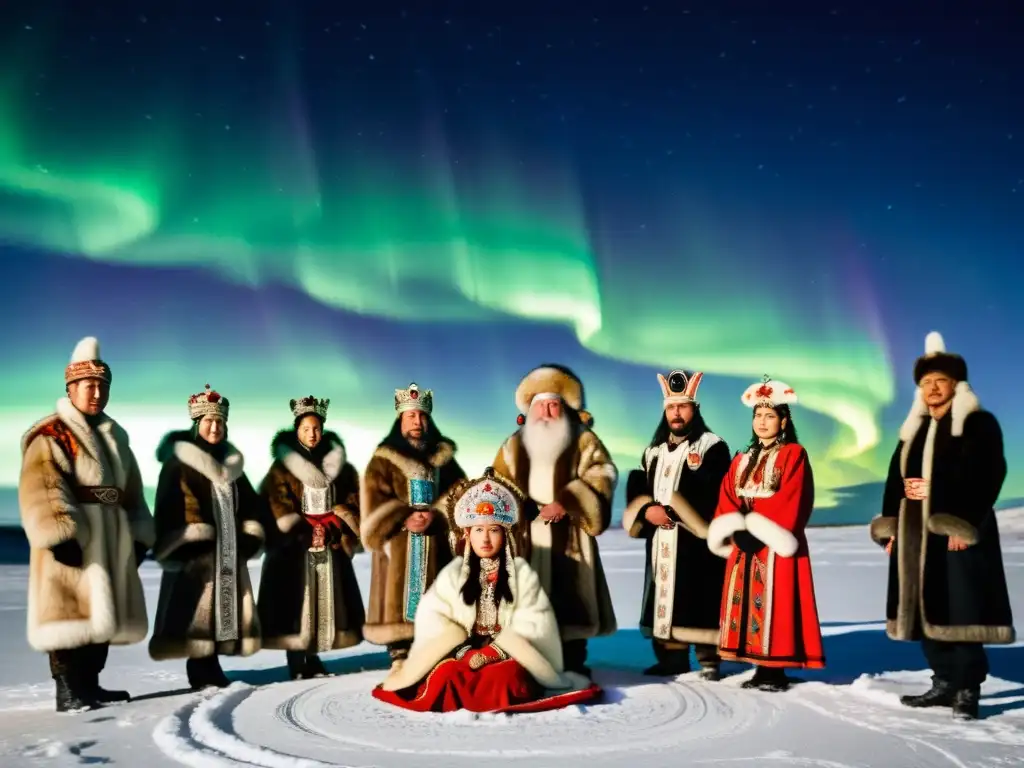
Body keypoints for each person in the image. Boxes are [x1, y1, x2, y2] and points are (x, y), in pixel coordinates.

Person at [372, 467, 602, 713]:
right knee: (447, 674)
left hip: (506, 655)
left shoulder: (521, 574)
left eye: (493, 530)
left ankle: (483, 695)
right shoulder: (454, 573)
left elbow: (535, 622)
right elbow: (434, 617)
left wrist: (495, 651)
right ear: (467, 534)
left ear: (505, 536)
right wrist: (462, 649)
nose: (485, 539)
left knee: (508, 677)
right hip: (464, 652)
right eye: (478, 530)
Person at [869, 331, 1014, 720]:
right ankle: (944, 680)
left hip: (956, 531)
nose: (932, 388)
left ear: (956, 385)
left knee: (960, 610)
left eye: (940, 382)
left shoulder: (976, 423)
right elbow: (892, 481)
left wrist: (959, 522)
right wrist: (892, 528)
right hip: (915, 534)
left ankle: (968, 688)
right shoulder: (912, 432)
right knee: (923, 608)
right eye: (926, 383)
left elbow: (988, 474)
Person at [18, 336, 154, 712]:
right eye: (88, 385)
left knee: (102, 614)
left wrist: (140, 535)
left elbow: (133, 491)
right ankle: (67, 689)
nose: (96, 393)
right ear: (71, 388)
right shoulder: (52, 435)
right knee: (68, 613)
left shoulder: (116, 437)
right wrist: (60, 534)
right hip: (75, 539)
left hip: (112, 537)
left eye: (102, 386)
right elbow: (43, 485)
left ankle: (90, 685)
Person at [491, 364, 617, 677]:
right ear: (529, 410)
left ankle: (573, 660)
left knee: (571, 597)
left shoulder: (584, 440)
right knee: (526, 599)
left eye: (554, 404)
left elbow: (602, 474)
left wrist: (568, 501)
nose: (547, 411)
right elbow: (497, 483)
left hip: (570, 533)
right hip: (526, 536)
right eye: (541, 405)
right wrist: (517, 510)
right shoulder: (512, 446)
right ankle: (530, 661)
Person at [706, 375, 825, 691]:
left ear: (783, 420)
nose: (762, 421)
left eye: (770, 415)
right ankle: (760, 663)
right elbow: (727, 494)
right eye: (758, 415)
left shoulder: (793, 455)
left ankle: (775, 669)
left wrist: (760, 529)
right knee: (746, 599)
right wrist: (734, 527)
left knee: (778, 602)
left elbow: (793, 497)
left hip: (775, 544)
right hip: (744, 544)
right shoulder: (741, 459)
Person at [148, 385, 265, 690]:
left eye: (220, 422)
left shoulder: (233, 468)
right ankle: (200, 668)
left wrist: (251, 532)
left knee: (221, 611)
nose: (215, 427)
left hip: (229, 550)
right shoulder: (179, 464)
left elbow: (252, 504)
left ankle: (210, 665)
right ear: (196, 424)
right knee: (197, 611)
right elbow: (171, 505)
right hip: (195, 552)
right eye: (208, 422)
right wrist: (196, 537)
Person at [623, 370, 732, 679]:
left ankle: (710, 659)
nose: (676, 413)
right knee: (663, 594)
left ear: (694, 409)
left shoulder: (712, 446)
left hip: (696, 542)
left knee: (700, 597)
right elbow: (639, 488)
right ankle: (672, 660)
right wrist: (646, 512)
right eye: (671, 407)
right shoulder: (653, 451)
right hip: (660, 541)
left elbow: (712, 490)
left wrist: (671, 511)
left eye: (683, 406)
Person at [257, 396, 365, 680]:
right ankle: (296, 658)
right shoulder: (281, 467)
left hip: (329, 542)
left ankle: (313, 656)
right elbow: (274, 503)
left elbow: (354, 499)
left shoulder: (340, 466)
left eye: (316, 428)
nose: (312, 434)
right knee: (296, 600)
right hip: (294, 547)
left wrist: (339, 522)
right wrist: (300, 527)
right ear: (297, 430)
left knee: (322, 601)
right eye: (306, 428)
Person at [361, 383, 466, 668]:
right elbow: (373, 499)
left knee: (438, 592)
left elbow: (460, 490)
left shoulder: (443, 458)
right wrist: (403, 515)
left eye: (422, 417)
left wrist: (439, 514)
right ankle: (400, 650)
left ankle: (437, 646)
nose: (417, 422)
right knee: (397, 592)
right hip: (397, 540)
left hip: (435, 540)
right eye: (411, 416)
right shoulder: (383, 459)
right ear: (400, 420)